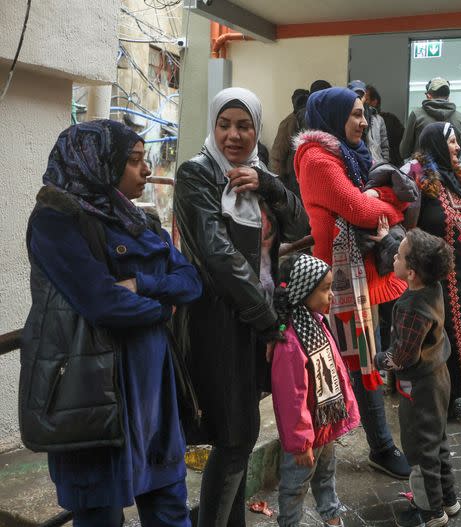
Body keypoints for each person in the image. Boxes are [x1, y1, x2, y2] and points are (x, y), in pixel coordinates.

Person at [23, 119, 202, 526]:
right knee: (100, 515)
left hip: (151, 394)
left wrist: (141, 283)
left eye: (145, 160)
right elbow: (102, 302)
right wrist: (161, 309)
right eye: (134, 161)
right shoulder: (55, 221)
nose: (146, 170)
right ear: (98, 163)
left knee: (170, 510)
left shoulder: (136, 219)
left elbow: (190, 282)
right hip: (92, 394)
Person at [173, 87, 309, 527]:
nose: (234, 135)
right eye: (225, 124)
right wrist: (269, 322)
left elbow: (301, 223)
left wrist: (269, 183)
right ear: (213, 126)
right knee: (235, 436)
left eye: (244, 125)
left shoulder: (257, 174)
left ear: (256, 128)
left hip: (253, 321)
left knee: (240, 434)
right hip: (220, 321)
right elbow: (219, 257)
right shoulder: (196, 175)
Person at [294, 86, 412, 479]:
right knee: (356, 362)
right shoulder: (316, 159)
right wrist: (391, 204)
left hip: (359, 276)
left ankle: (370, 443)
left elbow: (373, 198)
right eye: (355, 114)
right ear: (332, 116)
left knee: (362, 359)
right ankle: (373, 446)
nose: (363, 122)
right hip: (334, 283)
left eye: (364, 114)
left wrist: (383, 201)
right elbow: (362, 209)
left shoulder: (348, 155)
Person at [375, 228, 460, 527]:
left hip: (421, 386)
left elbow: (402, 357)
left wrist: (378, 359)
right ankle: (448, 499)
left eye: (397, 255)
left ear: (410, 273)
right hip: (439, 374)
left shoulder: (412, 308)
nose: (393, 257)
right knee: (437, 440)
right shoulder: (432, 287)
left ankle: (431, 512)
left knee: (419, 448)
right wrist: (388, 236)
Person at [271, 253, 360, 527]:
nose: (331, 295)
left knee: (326, 477)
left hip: (325, 426)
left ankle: (332, 518)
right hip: (306, 438)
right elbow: (292, 399)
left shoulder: (316, 324)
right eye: (324, 289)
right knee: (295, 487)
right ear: (302, 292)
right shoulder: (290, 343)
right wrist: (300, 443)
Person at [405, 122, 461, 416]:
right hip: (433, 279)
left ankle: (455, 394)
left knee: (460, 331)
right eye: (451, 141)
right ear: (436, 143)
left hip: (460, 277)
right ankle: (436, 397)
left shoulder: (458, 181)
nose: (457, 147)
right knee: (438, 337)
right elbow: (408, 225)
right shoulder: (419, 179)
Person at [400, 77, 461, 161]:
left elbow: (404, 152)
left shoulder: (416, 115)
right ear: (448, 97)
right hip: (449, 173)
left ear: (428, 96)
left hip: (422, 172)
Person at [268, 88, 309, 199]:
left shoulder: (312, 119)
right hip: (291, 178)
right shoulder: (289, 122)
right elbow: (276, 155)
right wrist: (280, 182)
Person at [349, 79, 390, 164]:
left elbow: (384, 146)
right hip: (356, 163)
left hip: (377, 165)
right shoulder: (346, 118)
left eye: (362, 96)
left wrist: (384, 163)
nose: (359, 99)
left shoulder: (377, 119)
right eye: (356, 95)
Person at [366, 84, 406, 167]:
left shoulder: (388, 119)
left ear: (374, 101)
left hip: (390, 164)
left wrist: (385, 162)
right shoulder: (361, 121)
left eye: (366, 99)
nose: (361, 102)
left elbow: (401, 142)